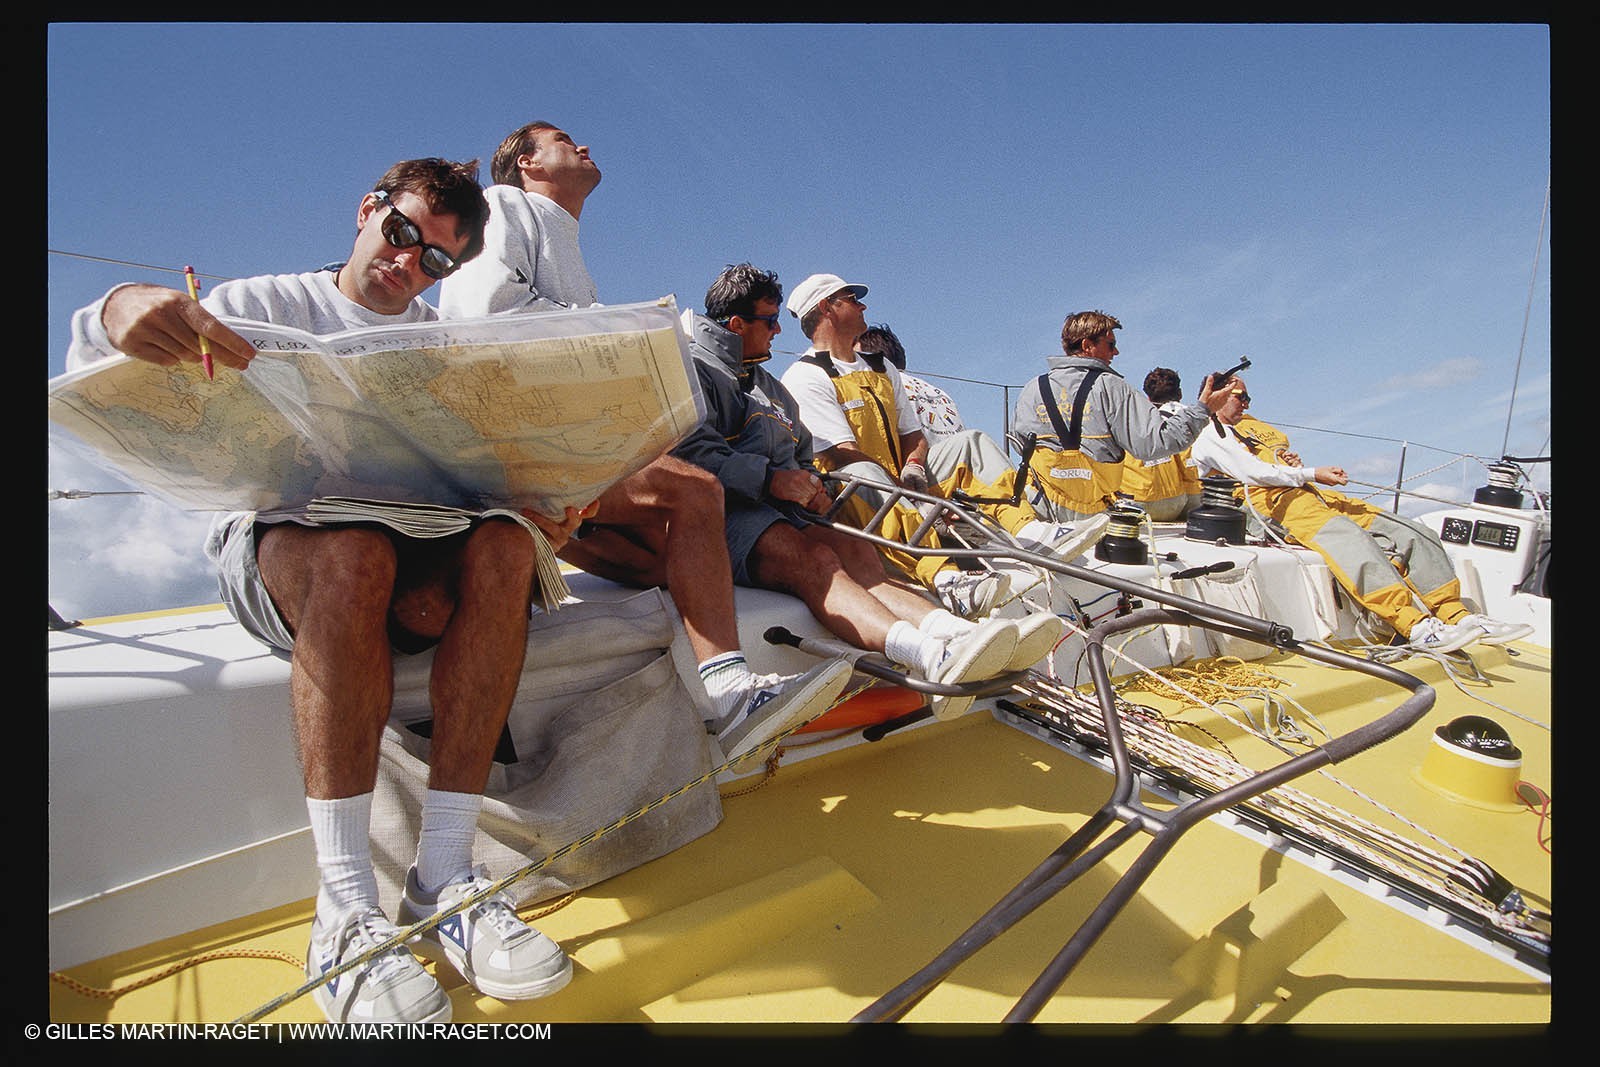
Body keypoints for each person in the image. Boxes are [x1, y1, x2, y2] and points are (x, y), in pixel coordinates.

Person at [67, 159, 578, 1023]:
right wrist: (123, 308)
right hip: (286, 546)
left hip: (412, 539)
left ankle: (445, 872)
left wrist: (536, 509)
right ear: (369, 211)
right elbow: (94, 345)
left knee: (503, 544)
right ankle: (344, 912)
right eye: (403, 235)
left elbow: (465, 481)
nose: (409, 266)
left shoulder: (436, 345)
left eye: (436, 264)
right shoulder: (268, 299)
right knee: (351, 553)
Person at [439, 121, 852, 763]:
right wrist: (629, 334)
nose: (582, 145)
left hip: (557, 449)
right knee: (692, 491)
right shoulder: (506, 206)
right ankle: (728, 691)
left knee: (672, 556)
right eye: (561, 139)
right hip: (510, 445)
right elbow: (485, 314)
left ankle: (718, 682)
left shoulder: (561, 238)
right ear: (526, 163)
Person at [673, 264, 1068, 719]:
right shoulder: (695, 372)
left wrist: (810, 483)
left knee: (858, 553)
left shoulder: (770, 387)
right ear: (736, 325)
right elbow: (690, 451)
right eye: (769, 320)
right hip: (731, 514)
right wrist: (770, 478)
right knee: (818, 561)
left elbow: (801, 450)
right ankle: (929, 654)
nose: (778, 330)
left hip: (788, 510)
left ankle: (954, 632)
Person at [780, 276, 1099, 618]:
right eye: (851, 297)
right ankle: (946, 579)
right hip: (853, 498)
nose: (862, 305)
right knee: (864, 471)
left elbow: (912, 435)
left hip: (899, 483)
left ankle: (1031, 533)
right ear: (827, 307)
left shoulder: (880, 366)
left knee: (969, 443)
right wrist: (907, 496)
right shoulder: (806, 377)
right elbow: (841, 454)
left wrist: (915, 466)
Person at [1189, 379, 1534, 653]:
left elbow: (1270, 463)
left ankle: (1457, 615)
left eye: (1249, 398)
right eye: (1241, 397)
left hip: (1308, 492)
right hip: (1267, 504)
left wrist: (1295, 466)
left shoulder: (1253, 427)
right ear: (1217, 396)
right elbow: (1252, 473)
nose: (1247, 404)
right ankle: (1414, 626)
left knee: (1409, 530)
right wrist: (1311, 473)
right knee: (1348, 538)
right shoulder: (1207, 434)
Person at [1011, 310, 1236, 523]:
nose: (1115, 353)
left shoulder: (1032, 388)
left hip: (1041, 509)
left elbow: (1020, 443)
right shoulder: (1112, 387)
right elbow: (1157, 443)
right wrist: (1203, 409)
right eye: (1111, 344)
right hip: (1092, 517)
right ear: (1087, 345)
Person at [1118, 367, 1204, 521]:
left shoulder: (1141, 419)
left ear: (1148, 398)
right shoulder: (1197, 417)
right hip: (1184, 499)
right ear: (1180, 393)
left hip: (1140, 502)